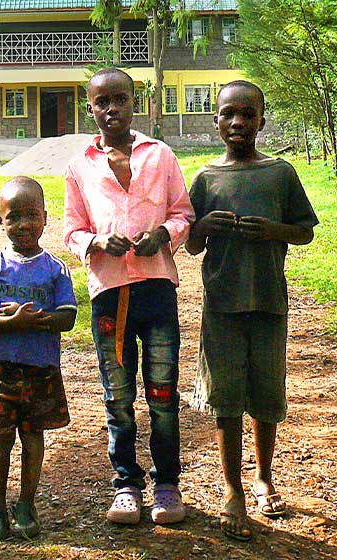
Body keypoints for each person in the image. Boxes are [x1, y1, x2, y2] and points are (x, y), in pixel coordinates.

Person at [186, 80, 318, 541]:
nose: (238, 122)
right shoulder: (206, 179)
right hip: (221, 306)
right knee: (225, 399)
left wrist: (273, 230)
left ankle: (264, 475)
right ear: (215, 120)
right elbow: (192, 245)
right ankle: (232, 488)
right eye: (228, 114)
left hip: (268, 302)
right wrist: (203, 224)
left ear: (262, 119)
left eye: (247, 113)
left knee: (265, 393)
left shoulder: (280, 174)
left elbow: (305, 231)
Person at [64, 67, 195, 526]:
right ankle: (126, 485)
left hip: (156, 290)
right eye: (102, 102)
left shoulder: (160, 155)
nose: (112, 109)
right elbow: (72, 230)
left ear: (134, 103)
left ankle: (167, 484)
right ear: (90, 109)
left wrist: (163, 234)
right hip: (110, 296)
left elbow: (183, 214)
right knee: (118, 397)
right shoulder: (80, 166)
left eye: (120, 99)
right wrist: (97, 242)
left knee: (162, 392)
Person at [0, 176, 78, 541]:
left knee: (32, 437)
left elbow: (68, 317)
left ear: (46, 217)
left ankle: (26, 504)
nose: (24, 224)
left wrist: (33, 319)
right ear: (1, 221)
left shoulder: (56, 269)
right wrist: (8, 323)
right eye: (13, 217)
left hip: (41, 371)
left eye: (32, 215)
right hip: (2, 370)